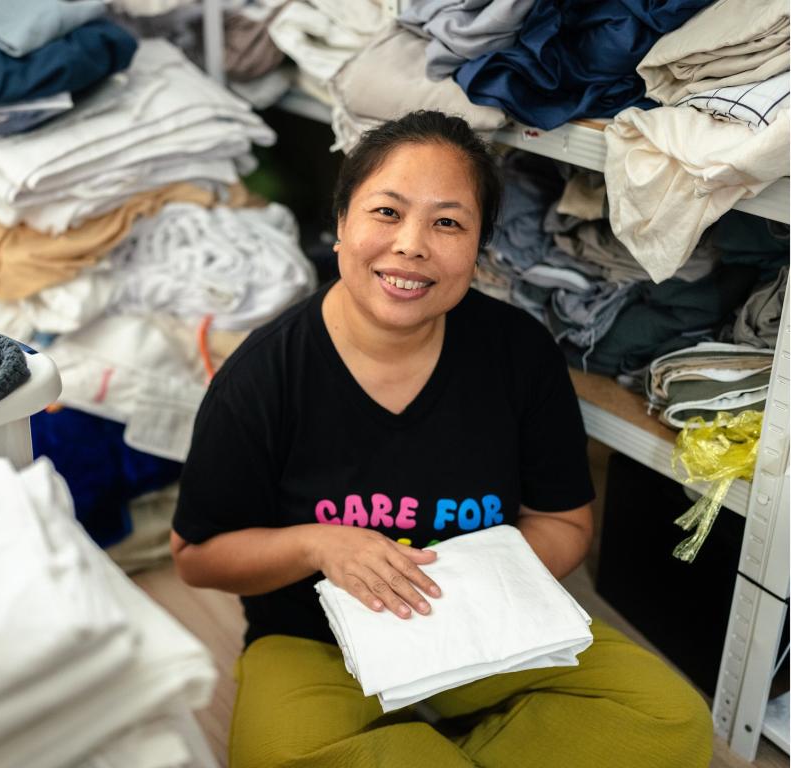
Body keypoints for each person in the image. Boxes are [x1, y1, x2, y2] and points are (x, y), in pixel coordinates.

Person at [170, 110, 712, 768]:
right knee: (284, 757)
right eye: (387, 212)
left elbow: (563, 522)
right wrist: (319, 543)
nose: (412, 245)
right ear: (341, 223)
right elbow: (197, 556)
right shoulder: (263, 375)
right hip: (315, 637)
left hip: (485, 619)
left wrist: (466, 589)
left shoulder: (518, 353)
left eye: (448, 223)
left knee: (667, 719)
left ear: (478, 248)